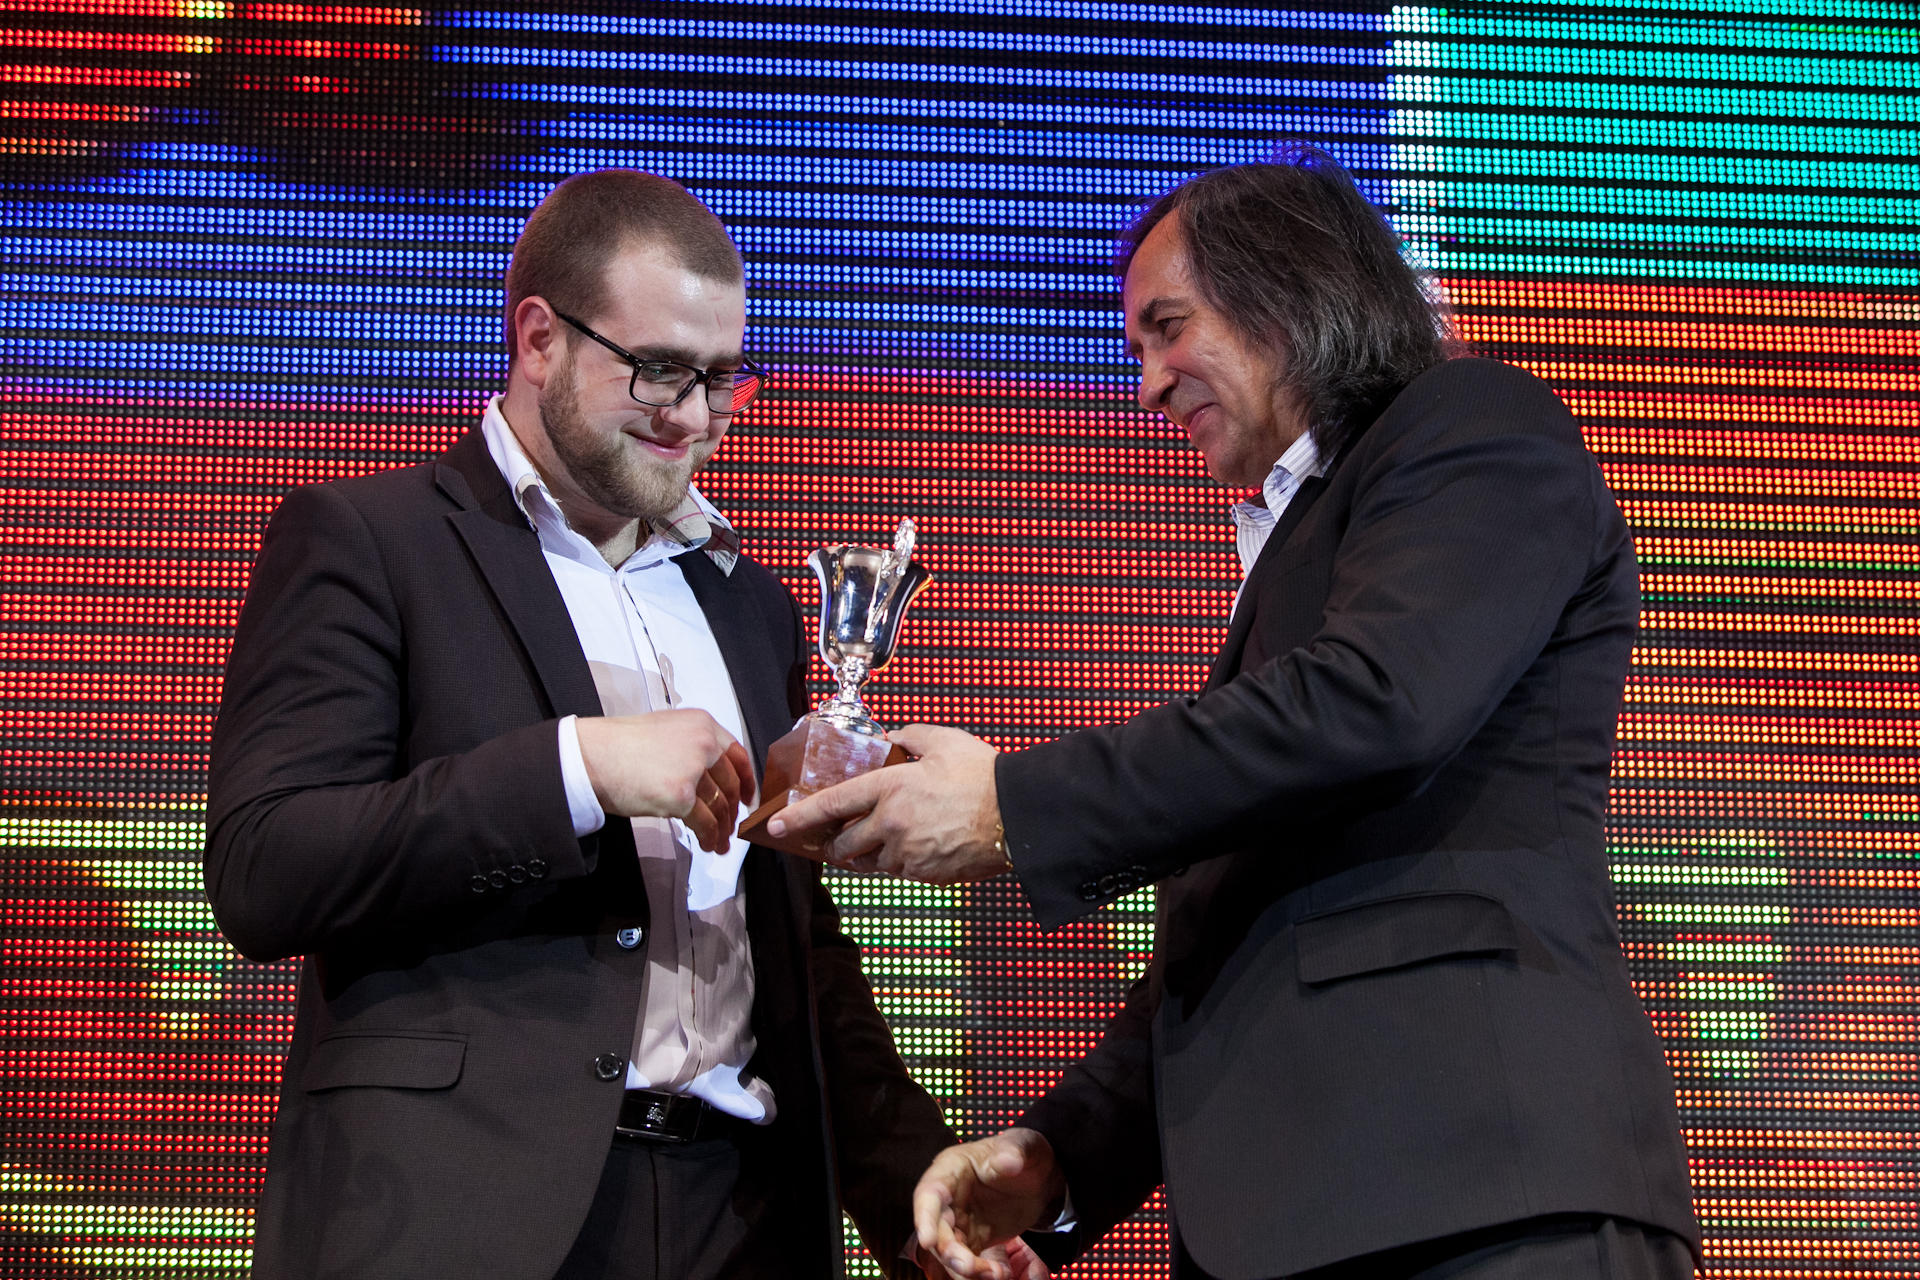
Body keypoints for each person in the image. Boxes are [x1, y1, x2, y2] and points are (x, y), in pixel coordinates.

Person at [769, 145, 1702, 1280]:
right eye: (1136, 349)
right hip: (1304, 1219)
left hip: (1479, 1199)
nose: (1149, 384)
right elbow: (1238, 915)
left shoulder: (1475, 424)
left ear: (1289, 293)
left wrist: (1011, 803)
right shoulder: (1301, 551)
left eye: (1168, 328)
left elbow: (1383, 703)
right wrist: (1060, 1154)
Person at [205, 169, 961, 1280]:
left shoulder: (750, 604)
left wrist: (919, 1195)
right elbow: (267, 867)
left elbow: (791, 950)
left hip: (740, 1218)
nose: (693, 415)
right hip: (464, 1213)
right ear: (538, 338)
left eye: (721, 378)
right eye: (657, 369)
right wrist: (575, 767)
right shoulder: (372, 539)